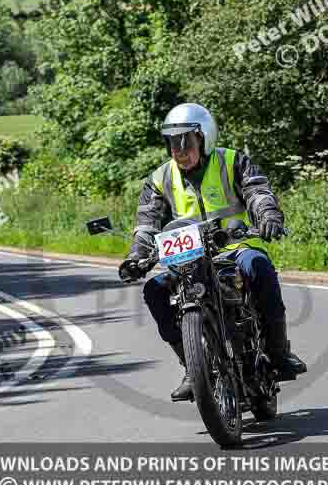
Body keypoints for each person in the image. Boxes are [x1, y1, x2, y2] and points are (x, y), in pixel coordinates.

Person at [118, 103, 307, 402]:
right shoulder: (159, 179)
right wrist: (135, 257)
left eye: (185, 142)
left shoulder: (233, 162)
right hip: (188, 259)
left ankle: (278, 352)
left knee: (259, 267)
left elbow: (258, 193)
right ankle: (192, 366)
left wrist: (268, 216)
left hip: (236, 247)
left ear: (204, 138)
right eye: (172, 143)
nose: (179, 150)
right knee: (154, 290)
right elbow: (146, 224)